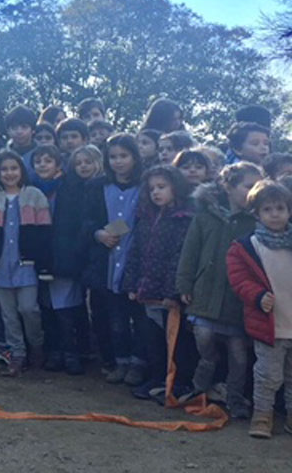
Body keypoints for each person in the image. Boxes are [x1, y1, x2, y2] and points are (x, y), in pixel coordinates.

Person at [176, 161, 263, 420]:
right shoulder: (204, 217)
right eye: (248, 186)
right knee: (204, 341)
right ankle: (200, 390)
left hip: (238, 301)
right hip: (205, 293)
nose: (253, 191)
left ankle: (235, 398)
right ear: (228, 186)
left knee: (238, 355)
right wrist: (184, 283)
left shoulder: (256, 223)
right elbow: (190, 253)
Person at [0, 150, 52, 377]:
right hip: (0, 264)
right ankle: (17, 354)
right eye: (4, 169)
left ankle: (37, 346)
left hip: (26, 264)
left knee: (28, 308)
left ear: (22, 170)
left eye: (14, 168)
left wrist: (45, 264)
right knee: (8, 314)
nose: (9, 173)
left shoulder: (35, 196)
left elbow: (44, 233)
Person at [121, 166, 195, 401]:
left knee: (177, 341)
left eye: (161, 187)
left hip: (168, 295)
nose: (156, 192)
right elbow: (135, 252)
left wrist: (172, 293)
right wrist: (131, 284)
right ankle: (157, 378)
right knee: (152, 338)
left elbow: (180, 258)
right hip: (147, 291)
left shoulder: (184, 219)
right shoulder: (146, 217)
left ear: (176, 187)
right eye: (151, 188)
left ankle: (178, 383)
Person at [226, 180, 292, 439]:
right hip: (269, 324)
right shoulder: (245, 247)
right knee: (267, 374)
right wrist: (257, 295)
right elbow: (239, 279)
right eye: (267, 209)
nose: (275, 214)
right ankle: (262, 415)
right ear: (256, 213)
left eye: (280, 208)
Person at [82, 134, 145, 387]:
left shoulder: (146, 185)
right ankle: (120, 362)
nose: (118, 161)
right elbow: (86, 221)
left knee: (139, 319)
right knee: (115, 318)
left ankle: (139, 364)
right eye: (113, 157)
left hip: (136, 261)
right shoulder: (97, 186)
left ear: (135, 157)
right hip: (106, 262)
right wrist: (98, 234)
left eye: (124, 156)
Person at [47, 144, 102, 375]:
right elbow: (63, 226)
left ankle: (90, 350)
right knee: (66, 304)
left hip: (102, 252)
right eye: (78, 163)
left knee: (96, 307)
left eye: (88, 162)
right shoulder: (67, 189)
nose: (83, 167)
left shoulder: (107, 187)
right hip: (71, 253)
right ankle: (69, 351)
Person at [3, 106, 38, 170]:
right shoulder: (1, 157)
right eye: (14, 127)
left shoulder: (43, 155)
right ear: (8, 131)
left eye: (24, 127)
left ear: (33, 130)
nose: (19, 131)